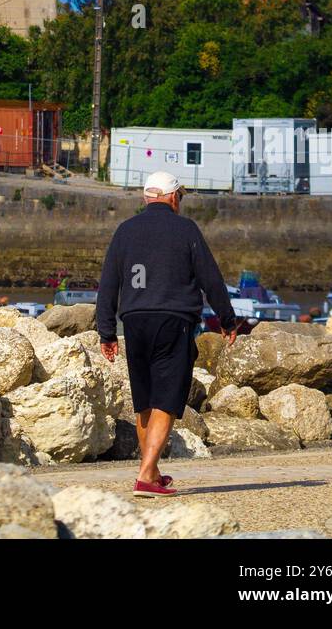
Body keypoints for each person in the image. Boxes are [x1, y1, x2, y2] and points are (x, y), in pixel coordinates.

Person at [96, 169, 238, 496]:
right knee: (168, 398)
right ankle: (145, 476)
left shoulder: (125, 230)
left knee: (144, 400)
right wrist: (228, 319)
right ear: (173, 197)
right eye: (181, 197)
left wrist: (106, 332)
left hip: (133, 320)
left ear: (146, 198)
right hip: (173, 320)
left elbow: (108, 285)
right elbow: (210, 279)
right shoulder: (184, 229)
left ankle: (153, 472)